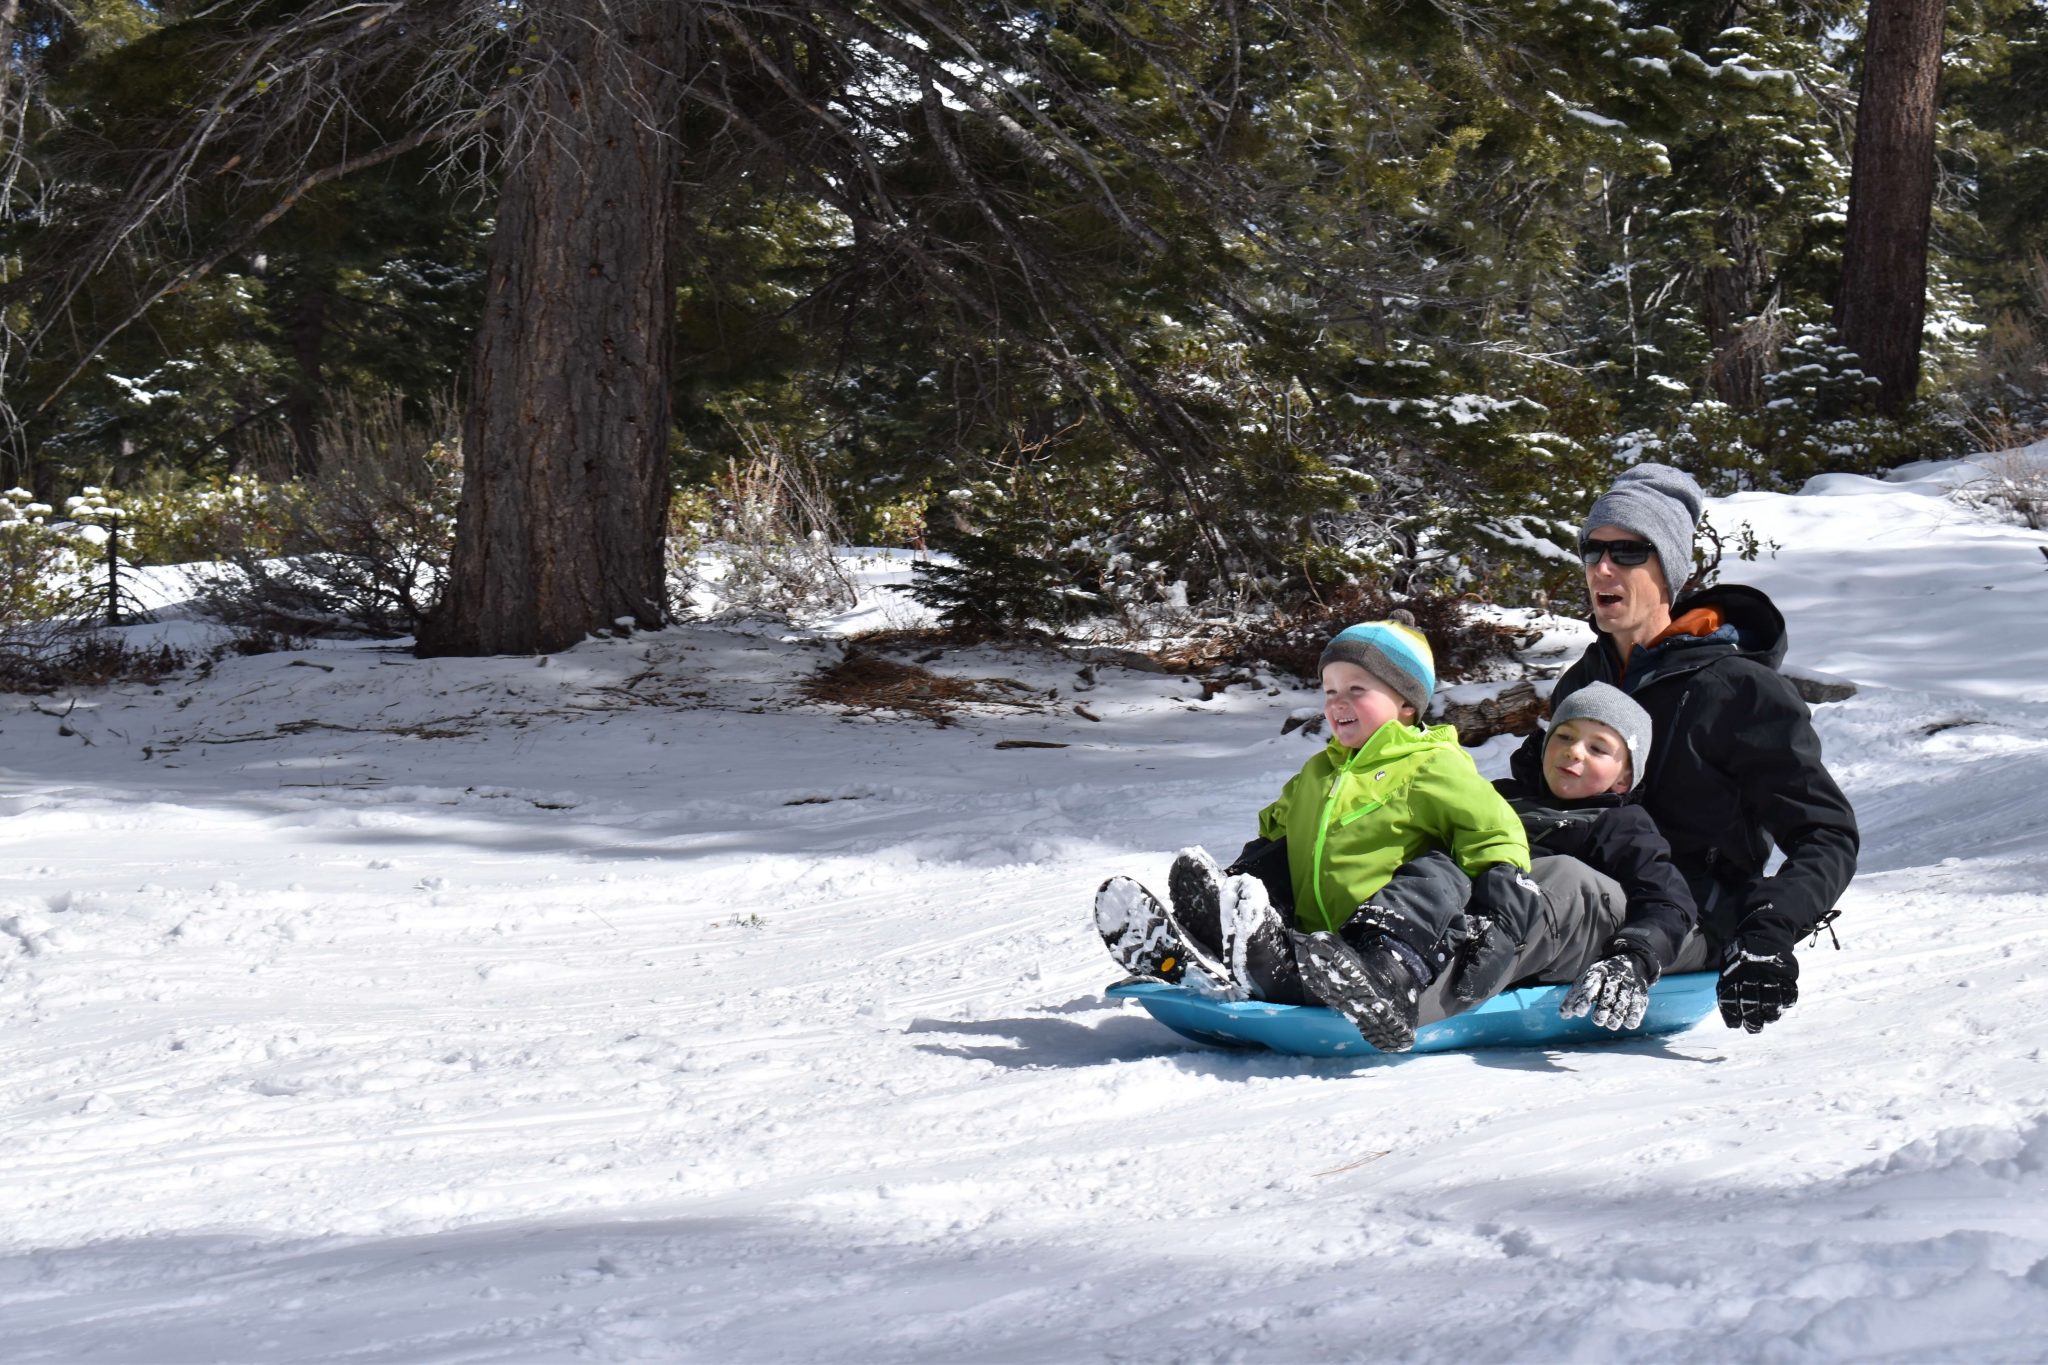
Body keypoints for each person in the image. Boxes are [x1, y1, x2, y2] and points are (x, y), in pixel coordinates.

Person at [1506, 463, 1859, 1033]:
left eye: (1627, 552)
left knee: (1557, 885)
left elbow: (1825, 832)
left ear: (1668, 569)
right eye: (1592, 550)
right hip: (1580, 894)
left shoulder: (1740, 689)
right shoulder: (1586, 680)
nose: (1602, 566)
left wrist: (1768, 929)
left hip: (1687, 915)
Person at [1095, 618, 1551, 1052]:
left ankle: (1383, 976)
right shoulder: (1320, 769)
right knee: (1273, 854)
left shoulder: (1432, 764)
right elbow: (1277, 822)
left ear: (1406, 703)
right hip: (1319, 942)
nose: (1337, 702)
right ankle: (1224, 932)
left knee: (1438, 871)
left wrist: (1504, 909)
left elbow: (1495, 830)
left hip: (1394, 934)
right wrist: (1256, 863)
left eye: (1357, 689)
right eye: (1330, 690)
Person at [1497, 682, 1699, 1032]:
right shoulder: (1498, 799)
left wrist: (1636, 953)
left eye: (1598, 748)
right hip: (1470, 915)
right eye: (1564, 737)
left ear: (1624, 779)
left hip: (1549, 934)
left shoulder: (1620, 824)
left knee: (1561, 874)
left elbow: (1665, 898)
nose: (1574, 752)